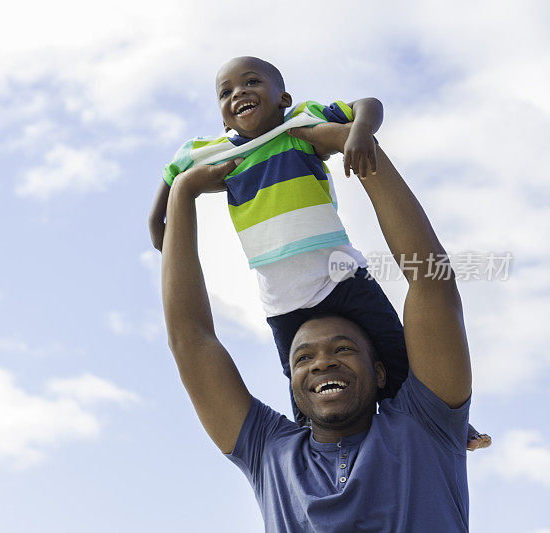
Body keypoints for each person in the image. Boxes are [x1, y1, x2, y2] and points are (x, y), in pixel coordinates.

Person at [149, 56, 489, 449]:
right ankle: (314, 456)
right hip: (283, 298)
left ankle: (447, 424)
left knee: (397, 355)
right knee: (302, 386)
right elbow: (172, 175)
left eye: (251, 82)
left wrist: (359, 131)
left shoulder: (299, 125)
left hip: (340, 277)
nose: (238, 92)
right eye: (226, 92)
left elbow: (367, 104)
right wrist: (160, 222)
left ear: (283, 98)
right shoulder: (216, 153)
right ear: (224, 118)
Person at [161, 121, 475, 531]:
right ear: (290, 379)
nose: (322, 362)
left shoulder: (425, 425)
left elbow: (432, 282)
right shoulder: (269, 452)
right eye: (303, 357)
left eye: (343, 349)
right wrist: (181, 194)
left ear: (381, 370)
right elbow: (191, 342)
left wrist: (360, 151)